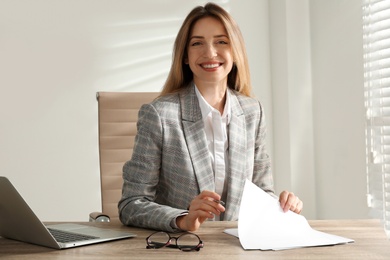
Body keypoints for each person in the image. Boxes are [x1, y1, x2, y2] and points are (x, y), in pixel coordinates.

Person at [118, 2, 303, 232]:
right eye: (197, 43)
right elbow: (131, 204)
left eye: (221, 42)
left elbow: (261, 193)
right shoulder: (159, 115)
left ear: (235, 51)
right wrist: (183, 219)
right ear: (185, 56)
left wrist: (281, 205)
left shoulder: (252, 112)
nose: (210, 53)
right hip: (180, 248)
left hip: (236, 247)